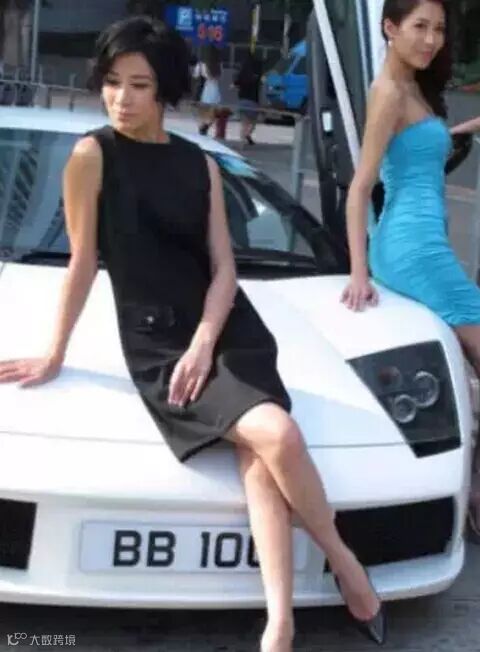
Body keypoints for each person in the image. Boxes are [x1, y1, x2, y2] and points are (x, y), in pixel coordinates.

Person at [0, 17, 386, 651]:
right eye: (113, 82)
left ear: (165, 90)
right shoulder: (92, 156)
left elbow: (225, 267)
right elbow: (83, 261)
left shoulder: (199, 162)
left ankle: (281, 621)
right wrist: (54, 352)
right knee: (276, 436)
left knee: (265, 454)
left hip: (226, 328)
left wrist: (207, 340)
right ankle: (345, 564)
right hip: (158, 342)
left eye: (139, 85)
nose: (121, 98)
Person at [341, 0, 480, 560]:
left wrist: (473, 126)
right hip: (411, 250)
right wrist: (359, 271)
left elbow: (417, 149)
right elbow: (361, 185)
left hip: (428, 246)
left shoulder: (411, 89)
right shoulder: (388, 92)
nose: (430, 39)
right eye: (419, 26)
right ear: (390, 28)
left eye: (439, 29)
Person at [234, 51, 263, 146]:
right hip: (253, 102)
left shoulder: (242, 74)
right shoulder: (256, 75)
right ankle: (247, 134)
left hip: (242, 101)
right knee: (253, 123)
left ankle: (242, 142)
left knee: (244, 124)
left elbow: (235, 84)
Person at [196, 44, 223, 136]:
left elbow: (195, 75)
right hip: (215, 90)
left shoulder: (202, 64)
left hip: (206, 90)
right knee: (213, 114)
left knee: (203, 113)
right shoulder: (219, 65)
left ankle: (202, 128)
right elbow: (220, 76)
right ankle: (206, 126)